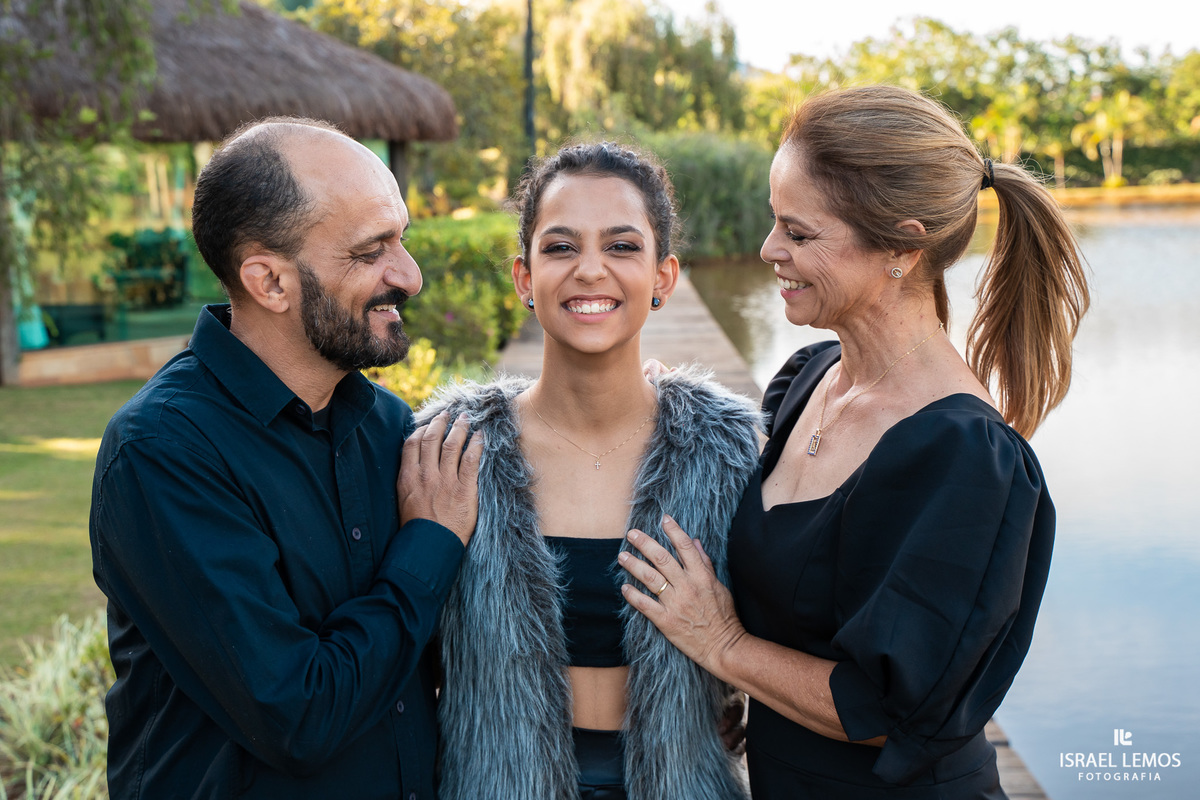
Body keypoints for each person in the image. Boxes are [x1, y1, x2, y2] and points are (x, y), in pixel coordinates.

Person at [620, 85, 1090, 798]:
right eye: (776, 222)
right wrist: (663, 412)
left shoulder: (967, 458)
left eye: (800, 234)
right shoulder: (808, 378)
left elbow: (891, 710)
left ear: (901, 246)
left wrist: (725, 646)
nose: (768, 249)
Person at [89, 118, 482, 799]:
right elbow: (298, 715)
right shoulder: (162, 453)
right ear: (269, 282)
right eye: (371, 252)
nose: (410, 277)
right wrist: (429, 543)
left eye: (403, 240)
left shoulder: (390, 428)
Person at [421, 141, 761, 800]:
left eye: (622, 246)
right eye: (560, 247)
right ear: (524, 277)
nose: (590, 270)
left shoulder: (727, 450)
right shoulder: (452, 448)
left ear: (664, 277)